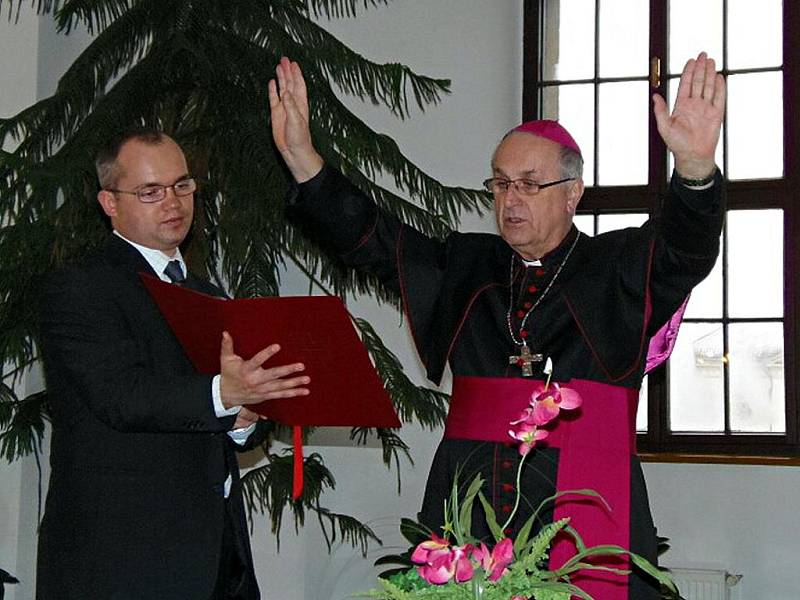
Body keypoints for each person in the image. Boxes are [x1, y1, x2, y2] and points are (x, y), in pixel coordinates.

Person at [269, 53, 725, 599]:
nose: (510, 200)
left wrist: (695, 172)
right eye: (501, 183)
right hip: (468, 499)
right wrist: (304, 162)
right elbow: (374, 240)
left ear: (572, 193)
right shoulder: (468, 266)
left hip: (584, 501)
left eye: (530, 185)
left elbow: (684, 251)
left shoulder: (616, 266)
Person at [36, 127, 311, 600]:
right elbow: (121, 397)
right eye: (151, 191)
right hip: (120, 561)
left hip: (217, 560)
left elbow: (225, 416)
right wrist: (225, 394)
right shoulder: (80, 288)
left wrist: (245, 417)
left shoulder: (208, 295)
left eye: (183, 185)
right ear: (109, 202)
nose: (173, 202)